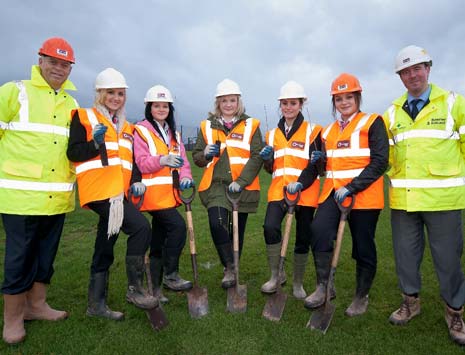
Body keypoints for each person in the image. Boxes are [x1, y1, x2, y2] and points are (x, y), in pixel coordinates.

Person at [383, 45, 465, 345]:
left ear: (428, 69)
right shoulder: (391, 112)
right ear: (400, 77)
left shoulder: (454, 103)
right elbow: (387, 155)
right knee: (405, 257)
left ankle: (455, 311)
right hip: (404, 201)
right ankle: (410, 303)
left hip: (443, 200)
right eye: (405, 71)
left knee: (448, 260)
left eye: (417, 68)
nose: (412, 75)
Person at [0, 37, 78, 344]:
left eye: (65, 64)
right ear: (40, 60)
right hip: (20, 197)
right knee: (20, 259)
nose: (59, 69)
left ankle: (37, 306)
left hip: (57, 197)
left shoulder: (71, 104)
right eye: (54, 62)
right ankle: (13, 319)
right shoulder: (14, 91)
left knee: (46, 257)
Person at [67, 68, 157, 322]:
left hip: (120, 193)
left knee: (105, 244)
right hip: (99, 191)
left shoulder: (127, 127)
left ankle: (96, 304)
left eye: (120, 93)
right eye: (111, 93)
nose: (116, 98)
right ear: (99, 93)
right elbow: (73, 153)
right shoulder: (84, 117)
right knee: (141, 228)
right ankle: (135, 289)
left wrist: (137, 182)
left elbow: (132, 162)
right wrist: (95, 143)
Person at [306, 73, 388, 317]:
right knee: (319, 231)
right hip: (333, 192)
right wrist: (318, 162)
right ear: (334, 102)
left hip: (364, 195)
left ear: (358, 97)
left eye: (348, 97)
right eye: (339, 99)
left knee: (363, 246)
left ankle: (361, 296)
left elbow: (380, 161)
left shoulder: (373, 122)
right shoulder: (327, 131)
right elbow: (321, 168)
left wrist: (352, 187)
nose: (344, 102)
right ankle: (324, 287)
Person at [192, 79, 263, 288]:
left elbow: (257, 155)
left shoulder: (252, 125)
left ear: (238, 101)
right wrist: (205, 154)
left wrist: (241, 182)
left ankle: (232, 269)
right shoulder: (207, 126)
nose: (229, 104)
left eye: (232, 100)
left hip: (242, 186)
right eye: (224, 101)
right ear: (218, 103)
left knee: (236, 230)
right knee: (217, 223)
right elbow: (196, 157)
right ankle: (230, 266)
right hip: (217, 185)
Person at [259, 81, 322, 299]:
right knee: (269, 227)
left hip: (305, 192)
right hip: (279, 190)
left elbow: (316, 167)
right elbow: (271, 169)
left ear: (301, 104)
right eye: (284, 103)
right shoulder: (271, 134)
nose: (288, 107)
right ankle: (277, 275)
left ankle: (297, 282)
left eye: (293, 103)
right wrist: (267, 160)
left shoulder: (313, 130)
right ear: (280, 105)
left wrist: (302, 182)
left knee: (303, 236)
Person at [132, 85, 193, 302]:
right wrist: (162, 160)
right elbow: (141, 163)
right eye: (157, 106)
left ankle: (155, 289)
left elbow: (183, 161)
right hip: (152, 195)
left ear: (170, 108)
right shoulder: (141, 130)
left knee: (158, 241)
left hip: (169, 194)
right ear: (149, 107)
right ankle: (171, 274)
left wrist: (186, 177)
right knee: (177, 228)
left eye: (165, 106)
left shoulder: (173, 132)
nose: (161, 109)